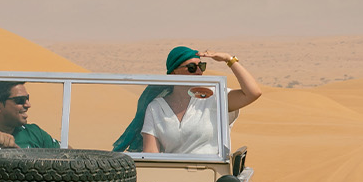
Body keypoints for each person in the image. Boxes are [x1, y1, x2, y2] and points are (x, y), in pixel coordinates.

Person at [112, 46, 263, 154]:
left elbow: (253, 93)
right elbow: (151, 154)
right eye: (191, 67)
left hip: (212, 179)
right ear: (174, 72)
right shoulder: (156, 108)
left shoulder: (213, 98)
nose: (198, 71)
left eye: (201, 66)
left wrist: (229, 59)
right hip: (175, 180)